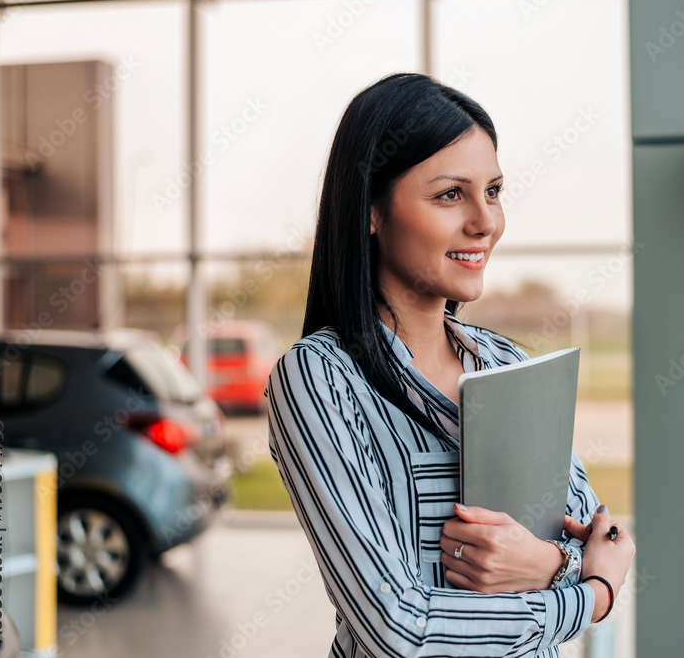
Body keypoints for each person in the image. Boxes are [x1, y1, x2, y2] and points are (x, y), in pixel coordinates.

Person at [266, 72, 635, 657]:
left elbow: (603, 537)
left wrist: (548, 561)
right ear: (370, 212)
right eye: (449, 194)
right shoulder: (318, 380)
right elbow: (397, 627)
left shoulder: (506, 363)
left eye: (493, 190)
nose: (485, 221)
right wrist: (590, 598)